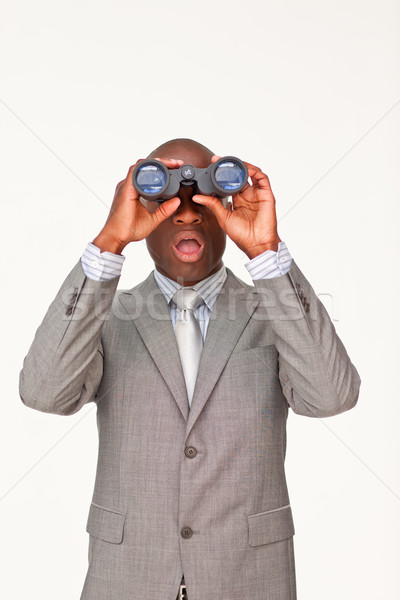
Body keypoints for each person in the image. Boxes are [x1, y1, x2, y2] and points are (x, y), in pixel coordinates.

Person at [19, 138, 361, 600]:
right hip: (128, 578)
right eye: (166, 200)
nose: (186, 213)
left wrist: (266, 251)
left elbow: (332, 395)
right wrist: (111, 241)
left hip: (247, 579)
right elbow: (43, 391)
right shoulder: (108, 318)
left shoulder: (271, 311)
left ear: (226, 205)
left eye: (203, 197)